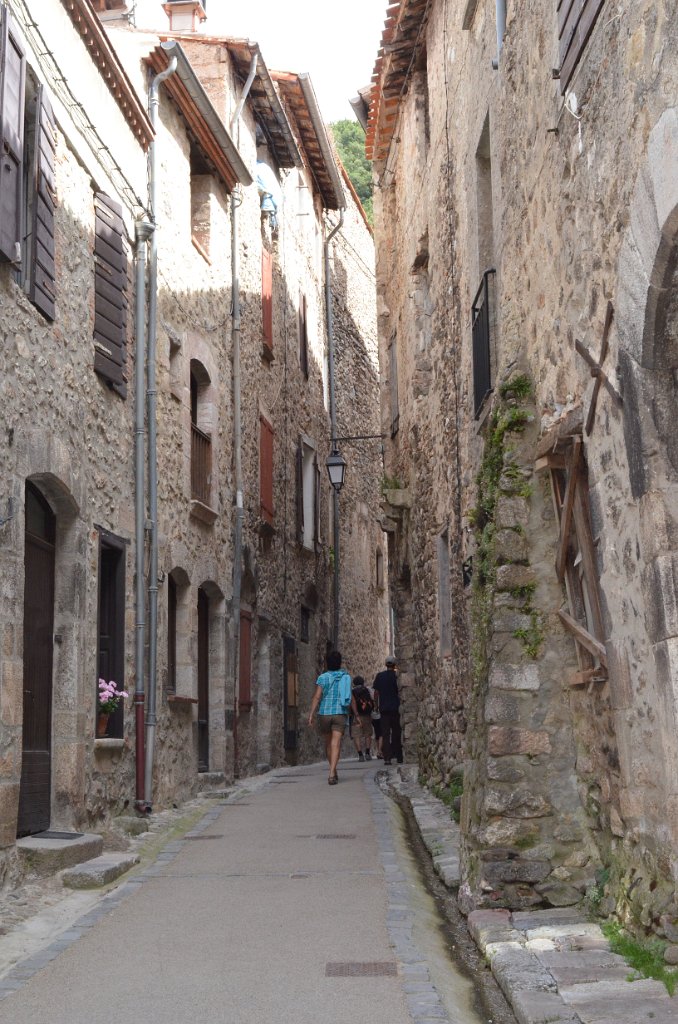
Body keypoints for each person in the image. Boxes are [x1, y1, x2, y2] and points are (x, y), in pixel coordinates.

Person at [308, 650, 356, 785]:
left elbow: (317, 697)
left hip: (324, 714)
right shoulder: (345, 677)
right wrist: (356, 714)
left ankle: (332, 770)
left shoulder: (322, 678)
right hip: (340, 713)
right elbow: (350, 697)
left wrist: (311, 714)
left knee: (328, 743)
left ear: (327, 663)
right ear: (339, 663)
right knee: (336, 743)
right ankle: (332, 773)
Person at [372, 656, 402, 765]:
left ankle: (387, 758)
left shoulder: (380, 676)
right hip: (395, 708)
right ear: (394, 665)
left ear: (386, 664)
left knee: (385, 734)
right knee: (396, 732)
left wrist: (376, 706)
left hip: (384, 708)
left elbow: (376, 693)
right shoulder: (397, 676)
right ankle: (398, 756)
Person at [350, 675, 374, 761]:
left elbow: (352, 703)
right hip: (366, 715)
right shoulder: (367, 690)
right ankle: (367, 753)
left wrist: (355, 714)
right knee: (368, 734)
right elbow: (372, 700)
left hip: (356, 716)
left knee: (357, 736)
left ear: (354, 683)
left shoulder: (352, 691)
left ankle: (360, 755)